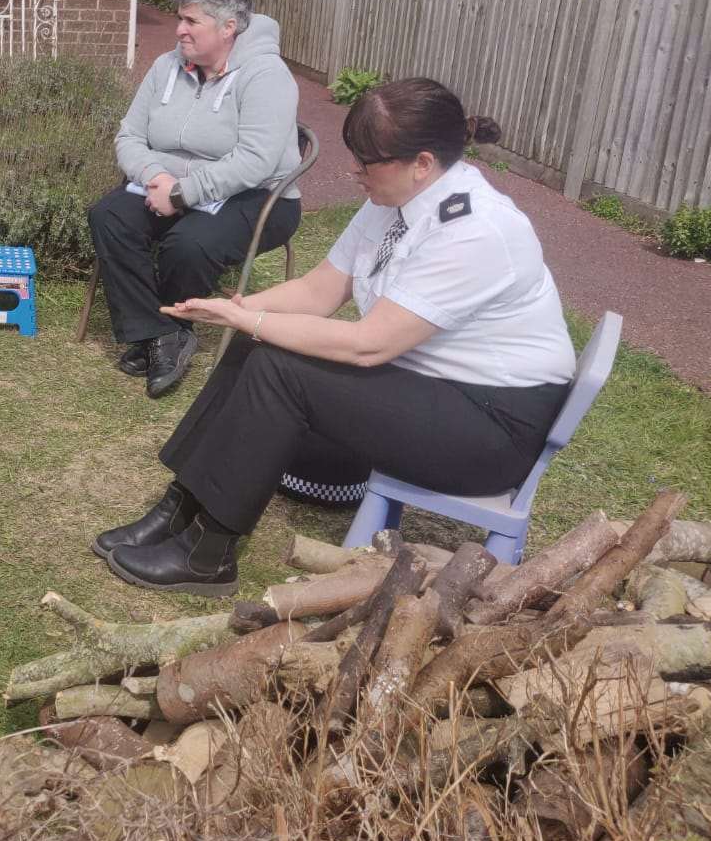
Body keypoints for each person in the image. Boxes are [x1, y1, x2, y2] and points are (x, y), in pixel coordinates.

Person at [92, 78, 576, 596]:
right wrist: (236, 309)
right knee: (257, 341)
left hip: (492, 427)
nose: (355, 171)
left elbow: (370, 345)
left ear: (422, 162)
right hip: (439, 386)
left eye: (368, 161)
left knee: (281, 366)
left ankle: (209, 552)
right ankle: (179, 507)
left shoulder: (475, 230)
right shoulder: (393, 200)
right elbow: (319, 291)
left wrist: (250, 322)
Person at [89, 0, 302, 400]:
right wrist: (157, 177)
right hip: (168, 185)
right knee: (108, 216)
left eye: (191, 21)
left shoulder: (267, 76)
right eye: (179, 18)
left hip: (259, 196)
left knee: (189, 243)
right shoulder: (166, 66)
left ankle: (168, 330)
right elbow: (129, 135)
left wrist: (183, 194)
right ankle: (158, 334)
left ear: (229, 27)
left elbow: (256, 161)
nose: (179, 30)